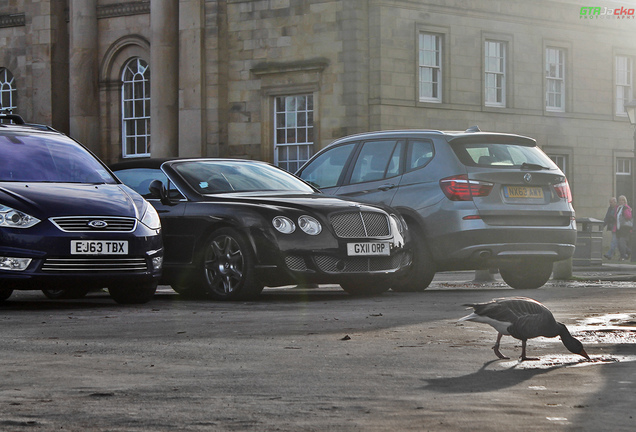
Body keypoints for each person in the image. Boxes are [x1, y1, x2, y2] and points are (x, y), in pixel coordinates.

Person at [615, 195, 633, 261]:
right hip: (619, 228)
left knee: (622, 242)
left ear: (625, 201)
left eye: (622, 200)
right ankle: (629, 252)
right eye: (620, 200)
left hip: (625, 228)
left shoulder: (625, 208)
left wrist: (625, 215)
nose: (621, 201)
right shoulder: (618, 208)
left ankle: (624, 256)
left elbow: (628, 216)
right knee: (618, 243)